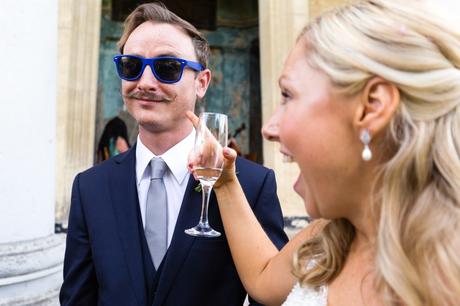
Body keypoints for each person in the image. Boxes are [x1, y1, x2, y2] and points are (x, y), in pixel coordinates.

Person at [188, 0, 460, 305]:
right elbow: (263, 277)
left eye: (288, 95)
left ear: (372, 106)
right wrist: (225, 182)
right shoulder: (331, 236)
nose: (269, 128)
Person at [59, 2, 288, 306]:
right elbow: (78, 299)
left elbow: (274, 298)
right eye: (132, 66)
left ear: (201, 83)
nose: (145, 82)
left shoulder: (253, 185)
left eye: (167, 68)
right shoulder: (89, 187)